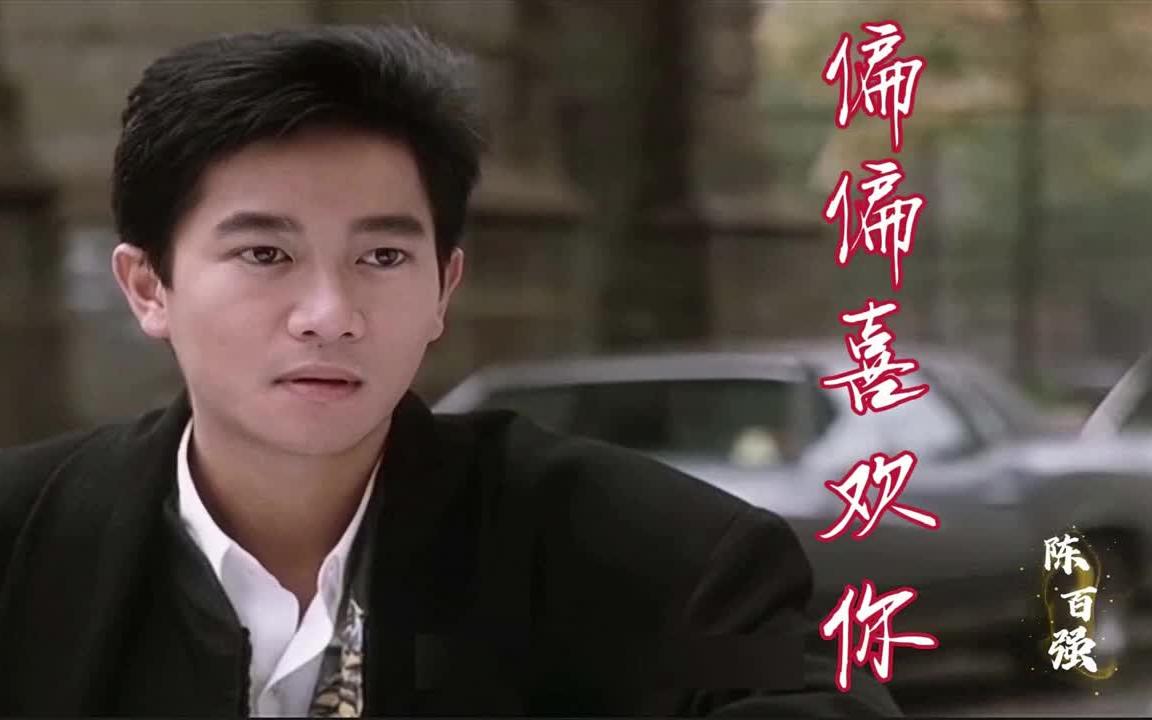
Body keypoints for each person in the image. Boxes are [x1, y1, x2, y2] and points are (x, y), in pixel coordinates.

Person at [0, 26, 901, 717]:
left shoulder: (659, 556)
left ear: (443, 289)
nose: (329, 314)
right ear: (149, 286)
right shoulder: (24, 544)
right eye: (265, 254)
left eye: (383, 257)